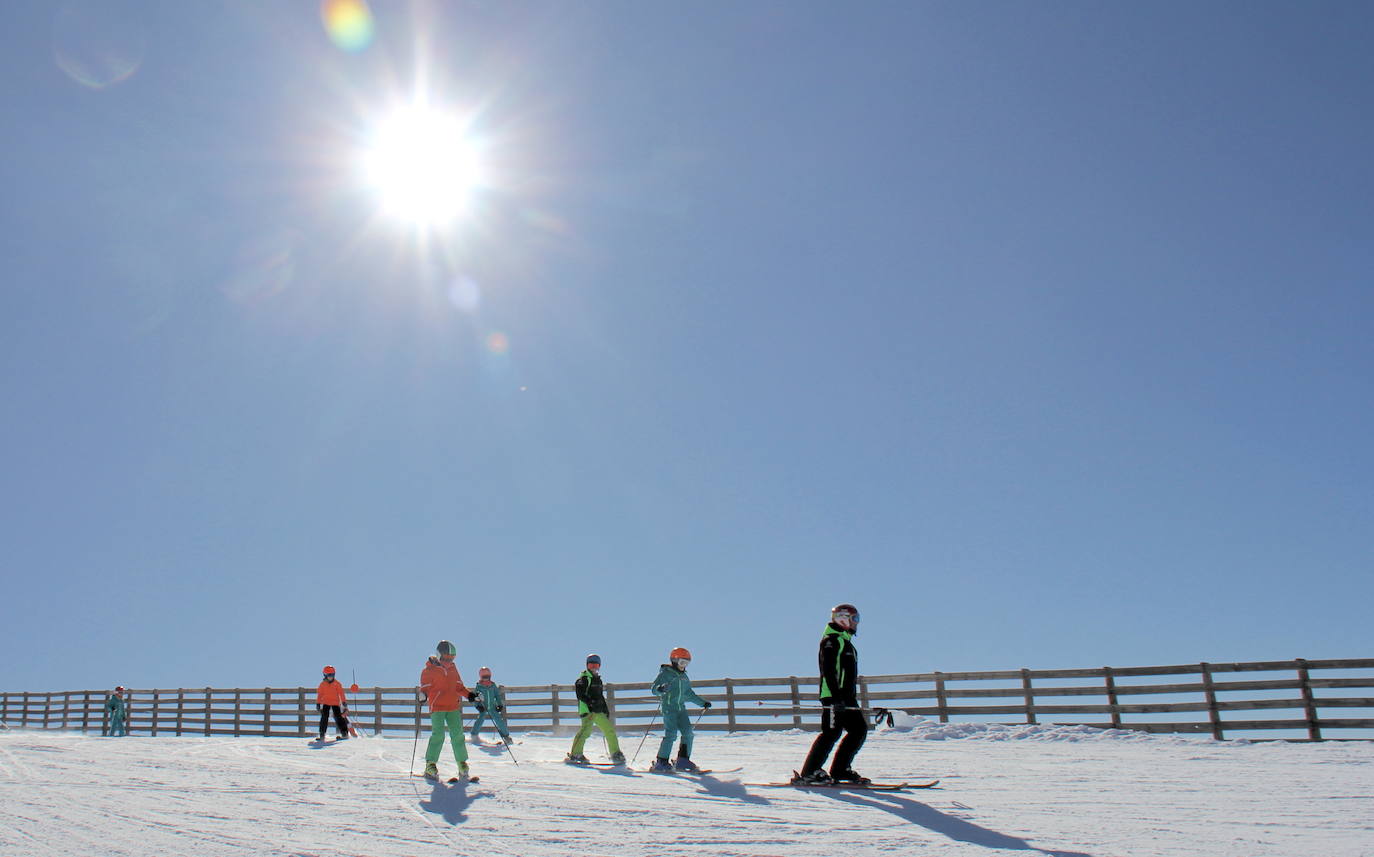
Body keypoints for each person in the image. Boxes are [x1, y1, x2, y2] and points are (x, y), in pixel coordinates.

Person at [795, 604, 869, 785]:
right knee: (831, 733)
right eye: (855, 619)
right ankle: (809, 772)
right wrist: (836, 698)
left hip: (847, 697)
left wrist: (847, 697)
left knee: (858, 730)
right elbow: (828, 670)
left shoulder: (846, 642)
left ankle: (840, 770)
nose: (857, 623)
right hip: (834, 696)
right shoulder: (831, 641)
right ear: (843, 618)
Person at [649, 647, 712, 772]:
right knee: (671, 734)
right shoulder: (666, 674)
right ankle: (661, 761)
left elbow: (689, 694)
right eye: (682, 662)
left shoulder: (684, 677)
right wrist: (660, 689)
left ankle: (683, 760)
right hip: (669, 708)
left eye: (686, 663)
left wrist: (702, 703)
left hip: (681, 709)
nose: (684, 666)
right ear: (674, 661)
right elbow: (654, 689)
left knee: (688, 733)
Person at [419, 640, 472, 780]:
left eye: (451, 659)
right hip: (437, 707)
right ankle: (430, 764)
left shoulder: (453, 669)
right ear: (438, 655)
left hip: (453, 707)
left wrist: (471, 695)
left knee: (458, 735)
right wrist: (423, 695)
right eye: (446, 658)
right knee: (438, 735)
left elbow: (459, 687)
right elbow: (425, 687)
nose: (449, 662)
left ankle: (462, 763)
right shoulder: (429, 670)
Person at [565, 654, 625, 765]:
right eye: (591, 665)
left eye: (596, 665)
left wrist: (605, 709)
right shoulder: (584, 679)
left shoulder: (598, 680)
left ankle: (616, 753)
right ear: (587, 665)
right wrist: (591, 703)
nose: (593, 667)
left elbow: (600, 696)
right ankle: (576, 754)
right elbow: (580, 694)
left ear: (599, 666)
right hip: (588, 710)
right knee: (586, 731)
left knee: (609, 730)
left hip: (598, 711)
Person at [468, 666, 512, 743]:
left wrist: (499, 704)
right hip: (483, 707)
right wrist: (478, 706)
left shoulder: (493, 685)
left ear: (490, 676)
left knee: (499, 720)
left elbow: (497, 695)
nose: (486, 679)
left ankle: (506, 736)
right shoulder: (479, 686)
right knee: (480, 720)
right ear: (481, 677)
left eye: (487, 677)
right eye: (484, 677)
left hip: (492, 707)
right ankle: (474, 735)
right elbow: (476, 697)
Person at [316, 666, 350, 741]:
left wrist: (344, 702)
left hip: (335, 703)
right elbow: (320, 694)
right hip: (326, 703)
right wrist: (318, 703)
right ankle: (322, 734)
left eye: (332, 675)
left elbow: (341, 693)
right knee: (324, 717)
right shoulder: (322, 684)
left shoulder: (337, 684)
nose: (331, 677)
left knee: (339, 717)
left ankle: (344, 733)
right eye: (329, 675)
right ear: (325, 675)